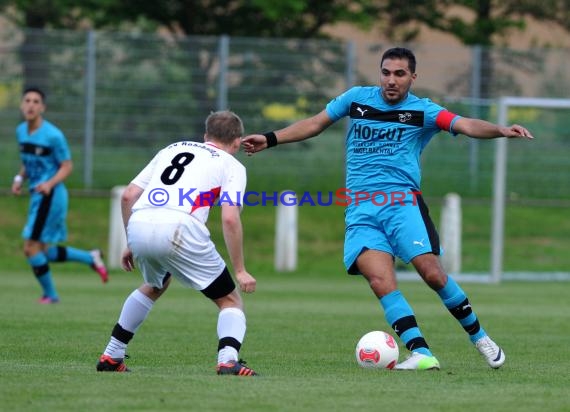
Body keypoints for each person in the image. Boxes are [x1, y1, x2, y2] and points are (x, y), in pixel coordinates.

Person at [242, 47, 533, 371]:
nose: (391, 80)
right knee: (380, 280)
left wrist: (501, 130)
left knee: (433, 274)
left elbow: (465, 124)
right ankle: (421, 353)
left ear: (412, 77)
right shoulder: (356, 99)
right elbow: (315, 123)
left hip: (402, 204)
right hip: (361, 210)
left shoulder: (423, 111)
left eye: (399, 74)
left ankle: (480, 337)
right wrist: (270, 138)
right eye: (386, 72)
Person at [96, 110, 258, 376]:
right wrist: (239, 269)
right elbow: (230, 218)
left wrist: (131, 243)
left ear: (205, 136)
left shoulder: (172, 148)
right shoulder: (232, 165)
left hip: (140, 221)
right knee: (229, 300)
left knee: (155, 284)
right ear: (237, 142)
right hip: (181, 227)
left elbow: (128, 196)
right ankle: (228, 361)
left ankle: (112, 354)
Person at [11, 87, 109, 304]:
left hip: (51, 196)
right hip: (37, 196)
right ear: (21, 105)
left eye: (36, 101)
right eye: (27, 100)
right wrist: (19, 179)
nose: (31, 105)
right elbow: (28, 162)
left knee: (30, 248)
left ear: (42, 107)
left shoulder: (53, 135)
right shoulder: (21, 131)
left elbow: (67, 166)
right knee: (45, 250)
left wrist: (49, 183)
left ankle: (51, 295)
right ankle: (90, 257)